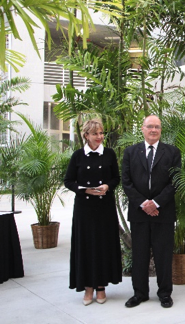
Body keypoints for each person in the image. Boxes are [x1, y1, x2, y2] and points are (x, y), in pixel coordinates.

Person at [122, 115, 181, 309]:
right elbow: (126, 182)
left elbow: (175, 182)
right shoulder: (130, 152)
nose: (153, 130)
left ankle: (164, 293)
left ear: (160, 130)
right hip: (139, 213)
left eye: (157, 127)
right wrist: (144, 204)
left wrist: (155, 203)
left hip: (163, 212)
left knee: (163, 255)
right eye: (150, 126)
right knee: (139, 255)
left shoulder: (172, 152)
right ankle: (140, 293)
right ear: (142, 129)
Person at [64, 119, 122, 306]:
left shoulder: (109, 154)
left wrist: (107, 186)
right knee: (86, 246)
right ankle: (88, 287)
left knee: (103, 246)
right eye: (96, 133)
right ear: (86, 135)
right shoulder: (78, 156)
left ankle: (101, 287)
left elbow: (116, 178)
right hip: (84, 209)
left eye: (101, 133)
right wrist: (83, 190)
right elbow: (68, 181)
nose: (100, 137)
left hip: (104, 208)